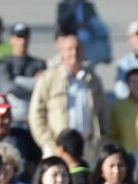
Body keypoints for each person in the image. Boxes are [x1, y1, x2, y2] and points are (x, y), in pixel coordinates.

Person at [28, 30, 108, 162]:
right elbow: (36, 113)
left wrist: (102, 136)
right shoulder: (49, 78)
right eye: (69, 49)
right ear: (61, 52)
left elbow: (103, 110)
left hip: (87, 148)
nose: (74, 53)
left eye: (77, 48)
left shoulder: (92, 79)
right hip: (58, 148)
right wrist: (48, 142)